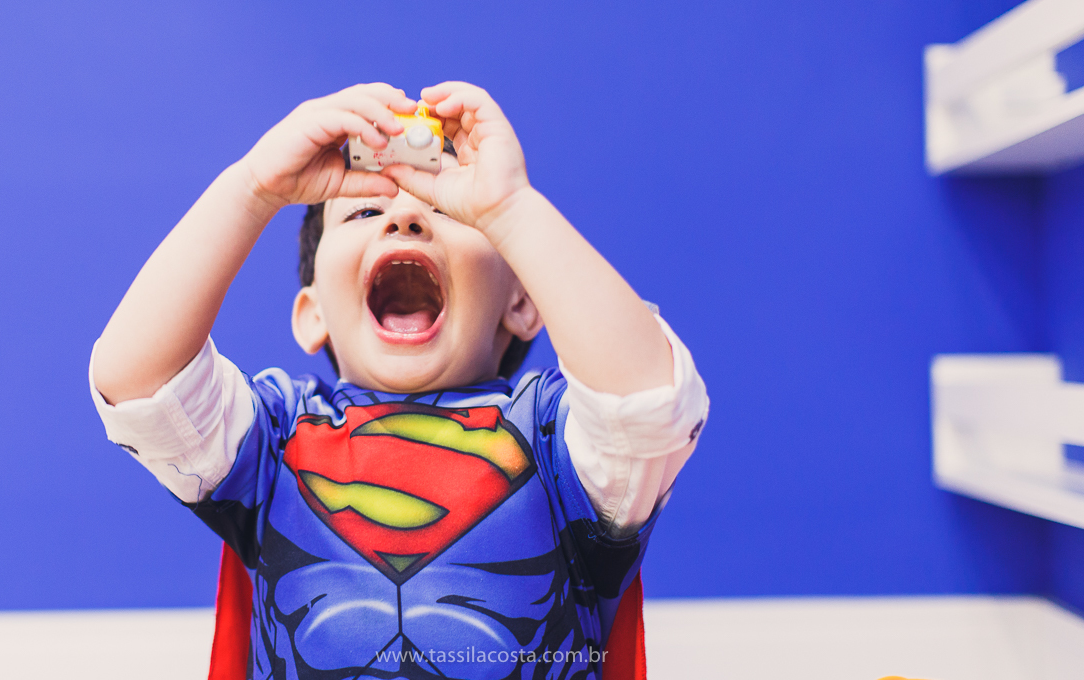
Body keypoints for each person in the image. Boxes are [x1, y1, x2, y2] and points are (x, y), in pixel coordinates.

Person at [89, 82, 708, 680]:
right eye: (363, 210)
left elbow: (647, 400)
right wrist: (252, 188)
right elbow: (141, 382)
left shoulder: (555, 439)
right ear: (313, 316)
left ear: (524, 299)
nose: (406, 215)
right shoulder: (275, 439)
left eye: (448, 208)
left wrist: (510, 209)